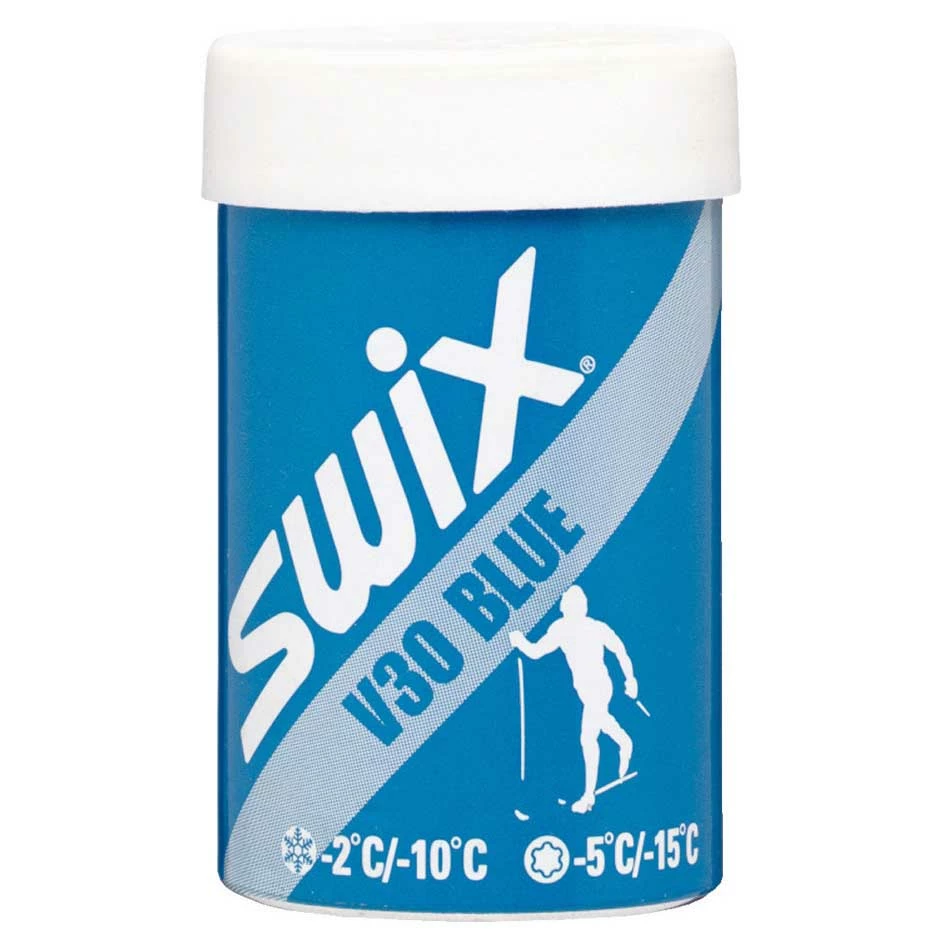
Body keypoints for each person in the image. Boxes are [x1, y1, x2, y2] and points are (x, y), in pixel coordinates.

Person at [510, 585, 638, 813]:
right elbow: (537, 651)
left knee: (588, 738)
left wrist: (631, 679)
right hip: (588, 689)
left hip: (598, 687)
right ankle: (624, 741)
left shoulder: (593, 628)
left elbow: (620, 650)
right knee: (601, 722)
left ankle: (588, 797)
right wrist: (520, 642)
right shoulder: (562, 628)